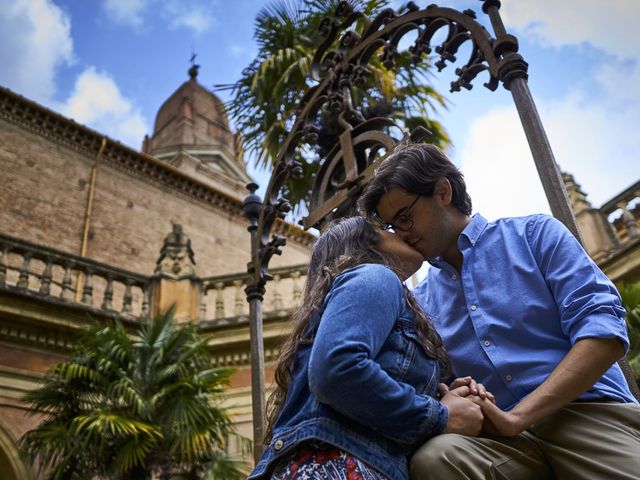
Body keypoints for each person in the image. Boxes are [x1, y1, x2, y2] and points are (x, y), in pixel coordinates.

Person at [358, 142, 640, 480]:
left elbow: (604, 332)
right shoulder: (420, 301)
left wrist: (519, 417)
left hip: (586, 414)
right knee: (436, 459)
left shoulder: (534, 235)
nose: (401, 234)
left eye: (405, 217)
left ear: (443, 192)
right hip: (500, 444)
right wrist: (454, 395)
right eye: (392, 226)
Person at [248, 216, 488, 480]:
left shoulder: (363, 296)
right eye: (386, 229)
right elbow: (337, 368)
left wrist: (441, 398)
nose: (400, 231)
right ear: (363, 244)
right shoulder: (375, 274)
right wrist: (439, 416)